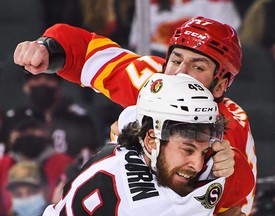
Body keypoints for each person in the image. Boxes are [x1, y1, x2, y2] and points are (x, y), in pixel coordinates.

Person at [13, 16, 256, 215]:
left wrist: (227, 169)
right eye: (176, 60)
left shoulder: (229, 127)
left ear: (220, 85)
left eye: (198, 67)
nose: (180, 73)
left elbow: (233, 203)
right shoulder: (152, 82)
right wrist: (46, 47)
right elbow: (87, 51)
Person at [42, 73, 254, 215]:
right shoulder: (136, 203)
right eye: (188, 150)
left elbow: (130, 117)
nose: (197, 164)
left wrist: (229, 159)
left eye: (204, 151)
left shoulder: (139, 132)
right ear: (152, 140)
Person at [0, 118, 74, 215]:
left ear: (46, 191)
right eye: (18, 194)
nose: (25, 198)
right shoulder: (3, 164)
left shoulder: (65, 163)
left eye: (32, 192)